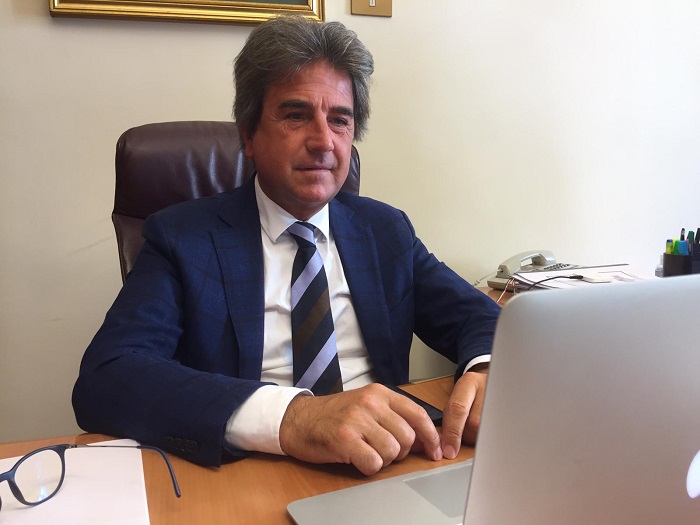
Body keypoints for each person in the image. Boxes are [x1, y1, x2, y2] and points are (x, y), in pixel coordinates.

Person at [72, 15, 501, 476]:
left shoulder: (384, 230)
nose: (323, 141)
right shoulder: (182, 238)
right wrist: (293, 417)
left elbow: (480, 318)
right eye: (296, 116)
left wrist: (487, 369)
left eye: (340, 120)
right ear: (248, 135)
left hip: (386, 462)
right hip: (251, 471)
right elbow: (107, 378)